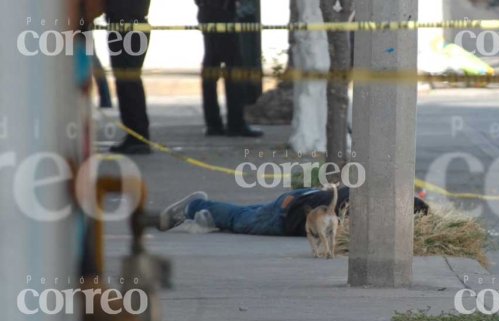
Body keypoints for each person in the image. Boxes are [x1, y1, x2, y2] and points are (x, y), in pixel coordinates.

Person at [159, 187, 430, 237]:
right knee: (240, 219)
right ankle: (194, 207)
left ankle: (207, 216)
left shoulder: (380, 197)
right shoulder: (362, 217)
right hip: (288, 215)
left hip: (301, 199)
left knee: (250, 212)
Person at [196, 0, 263, 137]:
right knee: (234, 67)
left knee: (211, 66)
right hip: (222, 11)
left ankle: (213, 124)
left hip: (207, 11)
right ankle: (235, 123)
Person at [106, 0, 153, 154]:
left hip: (127, 27)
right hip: (127, 26)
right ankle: (135, 135)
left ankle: (137, 135)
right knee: (127, 81)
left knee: (128, 81)